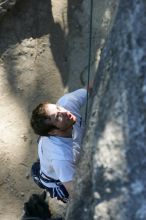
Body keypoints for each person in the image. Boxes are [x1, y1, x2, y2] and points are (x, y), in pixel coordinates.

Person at [30, 88, 88, 203]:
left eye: (57, 107)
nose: (65, 112)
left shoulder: (66, 103)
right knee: (67, 195)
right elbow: (75, 192)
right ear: (53, 132)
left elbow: (92, 88)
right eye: (57, 117)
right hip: (55, 181)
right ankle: (40, 175)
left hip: (53, 154)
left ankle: (42, 165)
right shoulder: (62, 158)